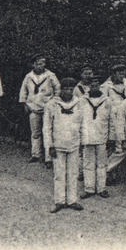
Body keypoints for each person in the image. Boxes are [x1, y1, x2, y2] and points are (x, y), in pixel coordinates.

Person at [44, 78, 84, 212]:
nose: (68, 91)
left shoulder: (79, 103)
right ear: (61, 89)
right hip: (58, 144)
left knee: (73, 174)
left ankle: (72, 200)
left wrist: (82, 142)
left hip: (74, 143)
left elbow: (83, 124)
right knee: (59, 174)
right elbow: (47, 127)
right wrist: (49, 146)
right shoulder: (52, 104)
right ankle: (59, 201)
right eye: (66, 89)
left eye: (71, 89)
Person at [20, 54, 60, 165]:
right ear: (33, 64)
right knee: (35, 132)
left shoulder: (51, 75)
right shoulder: (29, 77)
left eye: (41, 63)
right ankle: (35, 154)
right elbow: (23, 91)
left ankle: (49, 158)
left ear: (45, 64)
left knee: (47, 132)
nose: (39, 66)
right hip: (33, 107)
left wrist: (54, 102)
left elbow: (58, 89)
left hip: (47, 107)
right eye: (36, 63)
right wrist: (25, 104)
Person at [79, 76, 114, 198]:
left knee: (102, 164)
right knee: (88, 164)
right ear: (88, 86)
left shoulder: (107, 101)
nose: (94, 87)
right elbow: (79, 120)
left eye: (96, 84)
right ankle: (89, 188)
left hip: (102, 136)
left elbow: (111, 120)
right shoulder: (82, 100)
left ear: (100, 85)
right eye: (91, 85)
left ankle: (101, 188)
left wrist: (111, 137)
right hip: (87, 136)